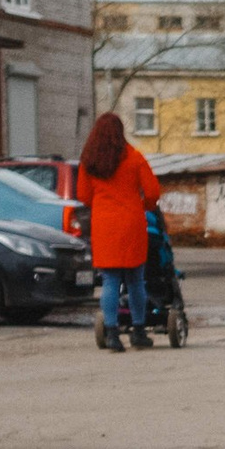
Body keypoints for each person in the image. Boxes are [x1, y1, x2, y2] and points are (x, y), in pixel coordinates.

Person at [75, 112, 162, 351]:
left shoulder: (89, 162)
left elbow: (83, 196)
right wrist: (142, 205)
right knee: (135, 280)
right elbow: (153, 192)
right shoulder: (134, 158)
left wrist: (103, 205)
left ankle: (112, 334)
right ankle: (138, 331)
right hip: (132, 223)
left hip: (104, 225)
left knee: (110, 281)